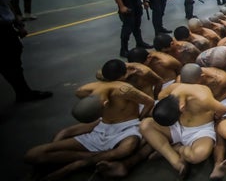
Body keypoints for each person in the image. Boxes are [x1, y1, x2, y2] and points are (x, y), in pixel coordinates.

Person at [24, 59, 154, 180]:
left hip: (126, 128)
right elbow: (83, 92)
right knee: (32, 154)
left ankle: (77, 164)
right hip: (102, 127)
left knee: (127, 148)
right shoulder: (104, 87)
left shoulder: (124, 89)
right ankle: (92, 158)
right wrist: (104, 89)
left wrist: (139, 120)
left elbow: (149, 102)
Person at [140, 78, 226, 179]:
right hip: (177, 126)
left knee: (198, 155)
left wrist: (215, 116)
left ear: (182, 107)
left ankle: (177, 148)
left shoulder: (202, 98)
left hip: (200, 131)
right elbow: (161, 96)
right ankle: (175, 161)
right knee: (145, 125)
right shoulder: (173, 89)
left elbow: (223, 109)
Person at [0, 0, 52, 102]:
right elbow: (7, 1)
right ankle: (23, 92)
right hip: (3, 27)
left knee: (13, 61)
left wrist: (18, 23)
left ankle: (23, 92)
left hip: (4, 27)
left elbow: (6, 1)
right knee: (11, 62)